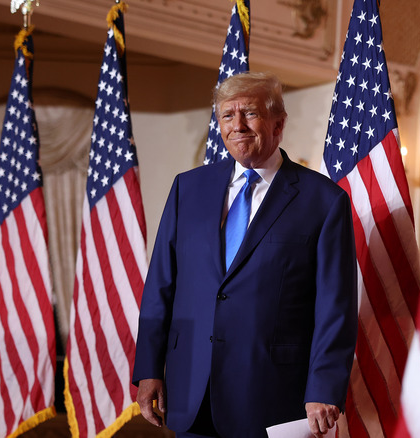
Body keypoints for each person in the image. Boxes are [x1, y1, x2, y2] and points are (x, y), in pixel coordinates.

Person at [133, 72, 358, 438]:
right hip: (192, 388)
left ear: (278, 124)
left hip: (273, 394)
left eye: (249, 113)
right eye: (227, 115)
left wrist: (324, 388)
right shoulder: (187, 188)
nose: (237, 125)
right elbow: (160, 285)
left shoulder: (324, 201)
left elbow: (336, 306)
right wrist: (149, 368)